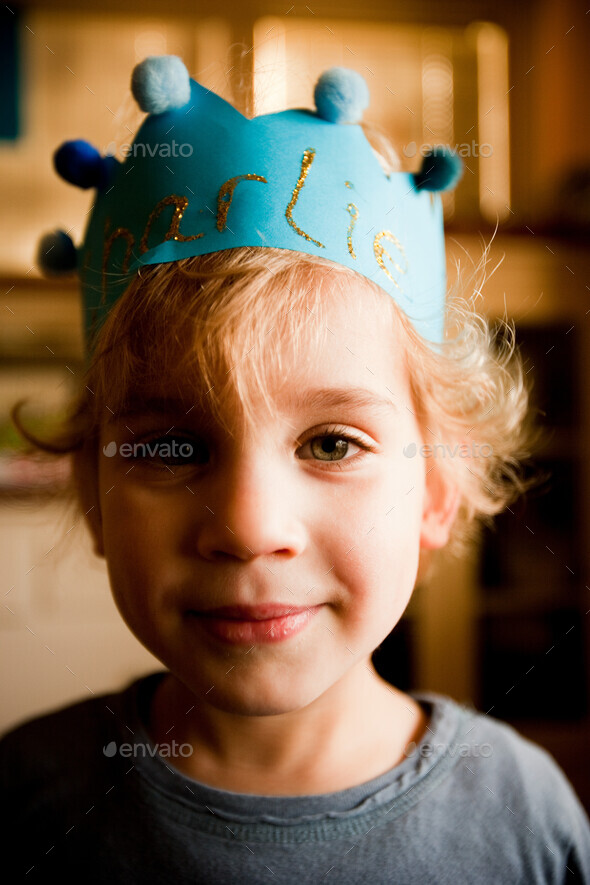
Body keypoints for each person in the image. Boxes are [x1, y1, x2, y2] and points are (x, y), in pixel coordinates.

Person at [2, 55, 589, 883]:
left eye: (331, 443)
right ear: (92, 497)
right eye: (175, 446)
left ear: (438, 488)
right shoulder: (28, 796)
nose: (248, 526)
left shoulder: (523, 815)